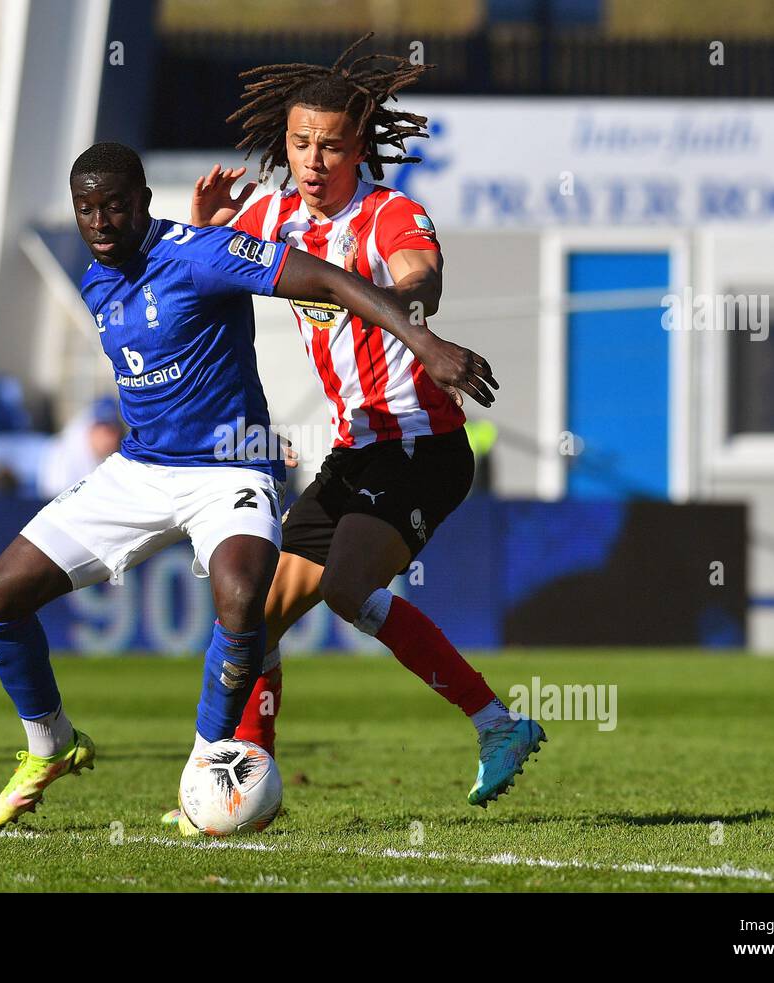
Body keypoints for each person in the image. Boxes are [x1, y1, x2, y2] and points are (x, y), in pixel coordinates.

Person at [0, 141, 498, 828]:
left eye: (115, 206)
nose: (99, 222)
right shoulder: (95, 275)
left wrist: (423, 341)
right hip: (140, 470)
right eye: (86, 210)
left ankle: (206, 767)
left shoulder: (201, 254)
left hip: (229, 469)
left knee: (245, 598)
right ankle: (50, 743)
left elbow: (333, 281)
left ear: (144, 202)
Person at [167, 35, 544, 827]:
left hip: (421, 446)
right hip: (354, 451)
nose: (311, 159)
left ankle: (498, 726)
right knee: (254, 617)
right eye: (300, 142)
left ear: (359, 147)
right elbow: (199, 264)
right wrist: (201, 227)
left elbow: (421, 282)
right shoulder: (271, 214)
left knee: (345, 588)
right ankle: (243, 777)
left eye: (330, 145)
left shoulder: (390, 216)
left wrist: (417, 308)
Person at [37, 395, 124, 500]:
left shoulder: (115, 455)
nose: (110, 439)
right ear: (91, 428)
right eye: (105, 431)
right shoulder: (62, 451)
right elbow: (54, 500)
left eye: (114, 432)